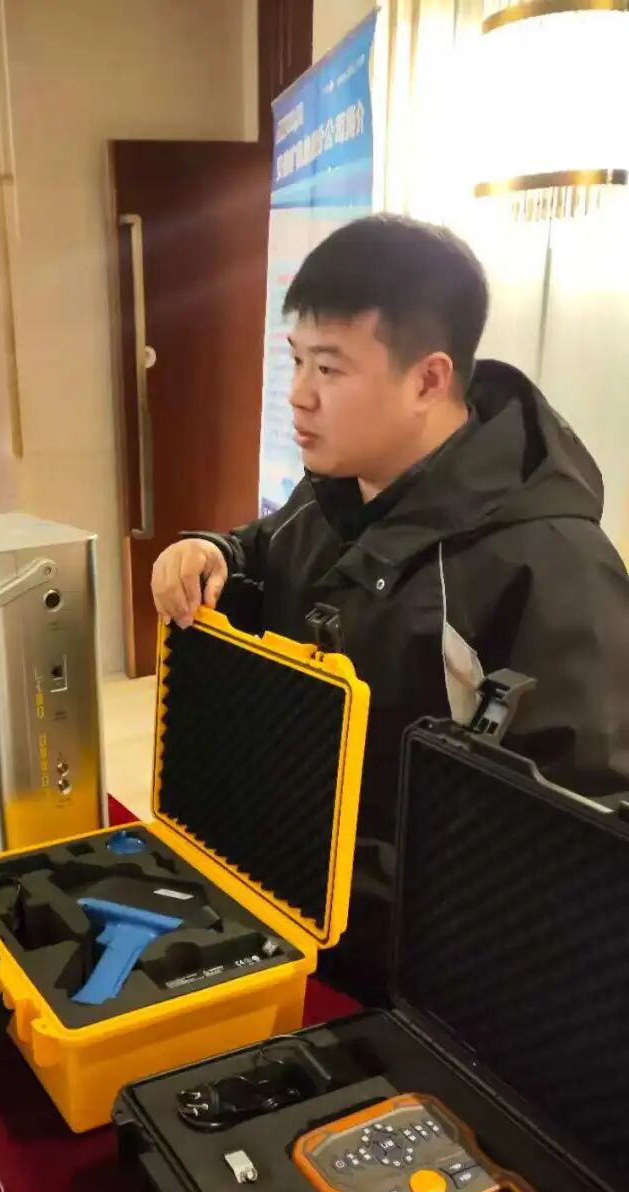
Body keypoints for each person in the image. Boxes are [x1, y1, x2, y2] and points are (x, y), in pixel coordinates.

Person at [152, 214, 629, 997]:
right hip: (291, 907)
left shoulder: (551, 564)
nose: (298, 396)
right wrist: (213, 555)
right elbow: (265, 553)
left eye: (329, 369)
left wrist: (380, 884)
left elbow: (580, 832)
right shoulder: (330, 493)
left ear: (428, 380)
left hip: (429, 977)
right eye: (296, 360)